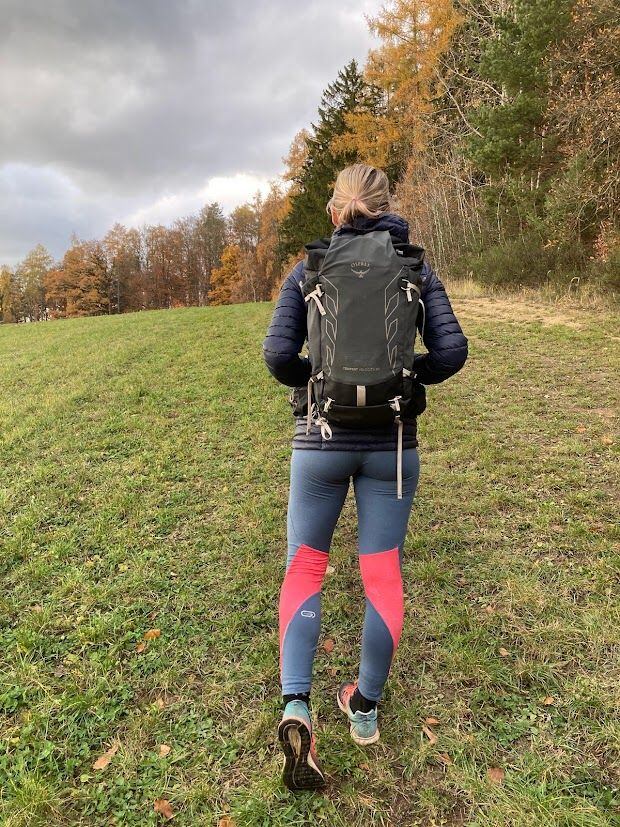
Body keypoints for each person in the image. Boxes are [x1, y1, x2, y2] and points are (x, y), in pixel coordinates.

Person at [262, 163, 468, 791]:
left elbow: (278, 354)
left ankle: (297, 705)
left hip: (319, 441)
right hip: (393, 445)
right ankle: (365, 708)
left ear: (335, 210)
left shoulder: (309, 268)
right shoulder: (416, 268)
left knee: (305, 565)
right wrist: (407, 380)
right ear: (387, 207)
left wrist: (315, 386)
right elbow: (452, 351)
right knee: (382, 571)